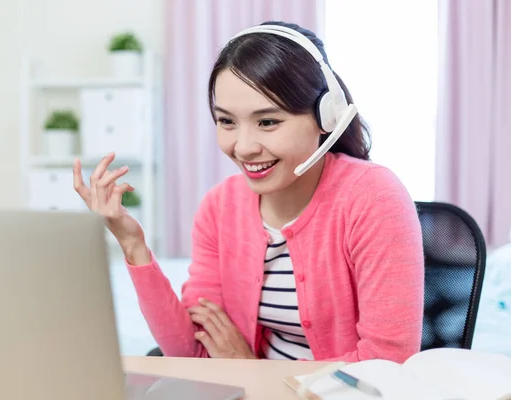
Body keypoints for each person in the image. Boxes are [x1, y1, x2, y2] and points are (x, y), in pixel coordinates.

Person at [73, 21, 424, 363]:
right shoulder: (219, 207)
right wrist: (133, 245)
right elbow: (194, 354)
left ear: (326, 117)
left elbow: (386, 364)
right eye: (226, 121)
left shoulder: (374, 198)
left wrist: (254, 371)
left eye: (267, 122)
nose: (243, 147)